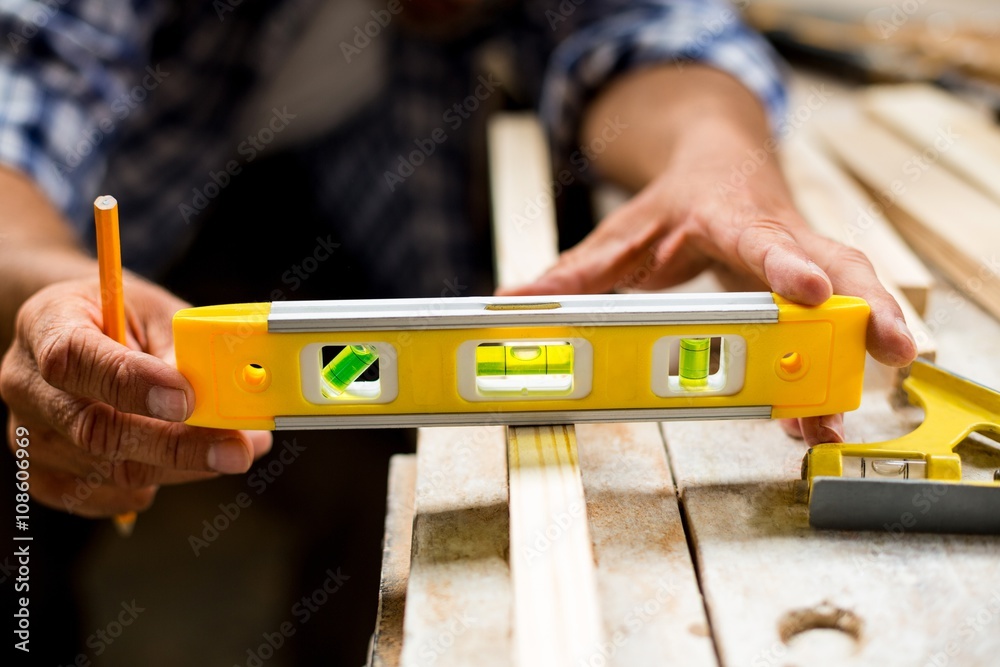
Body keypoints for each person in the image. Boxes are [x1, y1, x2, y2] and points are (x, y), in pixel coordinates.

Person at [0, 0, 917, 663]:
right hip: (99, 252)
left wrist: (715, 163)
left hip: (343, 254)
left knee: (387, 517)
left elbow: (648, 32)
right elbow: (20, 108)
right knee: (55, 487)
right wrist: (49, 286)